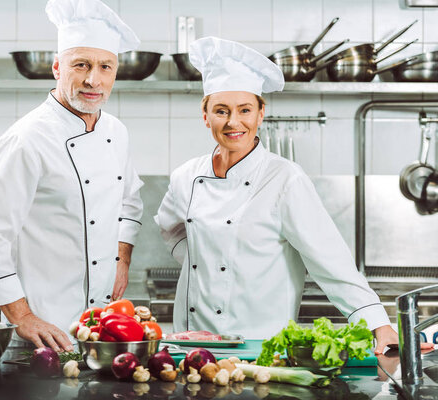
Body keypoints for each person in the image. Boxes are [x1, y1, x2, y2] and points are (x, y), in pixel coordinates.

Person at [154, 37, 398, 354]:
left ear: (260, 114)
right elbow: (171, 230)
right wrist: (210, 262)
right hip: (192, 346)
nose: (233, 122)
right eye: (221, 111)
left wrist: (377, 322)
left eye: (244, 110)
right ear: (205, 115)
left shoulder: (285, 178)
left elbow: (329, 259)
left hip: (262, 346)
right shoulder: (186, 175)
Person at [0, 0, 143, 352]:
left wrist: (120, 259)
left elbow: (129, 201)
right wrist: (22, 317)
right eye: (81, 65)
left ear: (115, 72)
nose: (94, 79)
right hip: (41, 333)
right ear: (57, 68)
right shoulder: (27, 139)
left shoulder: (117, 132)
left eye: (105, 67)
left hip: (100, 328)